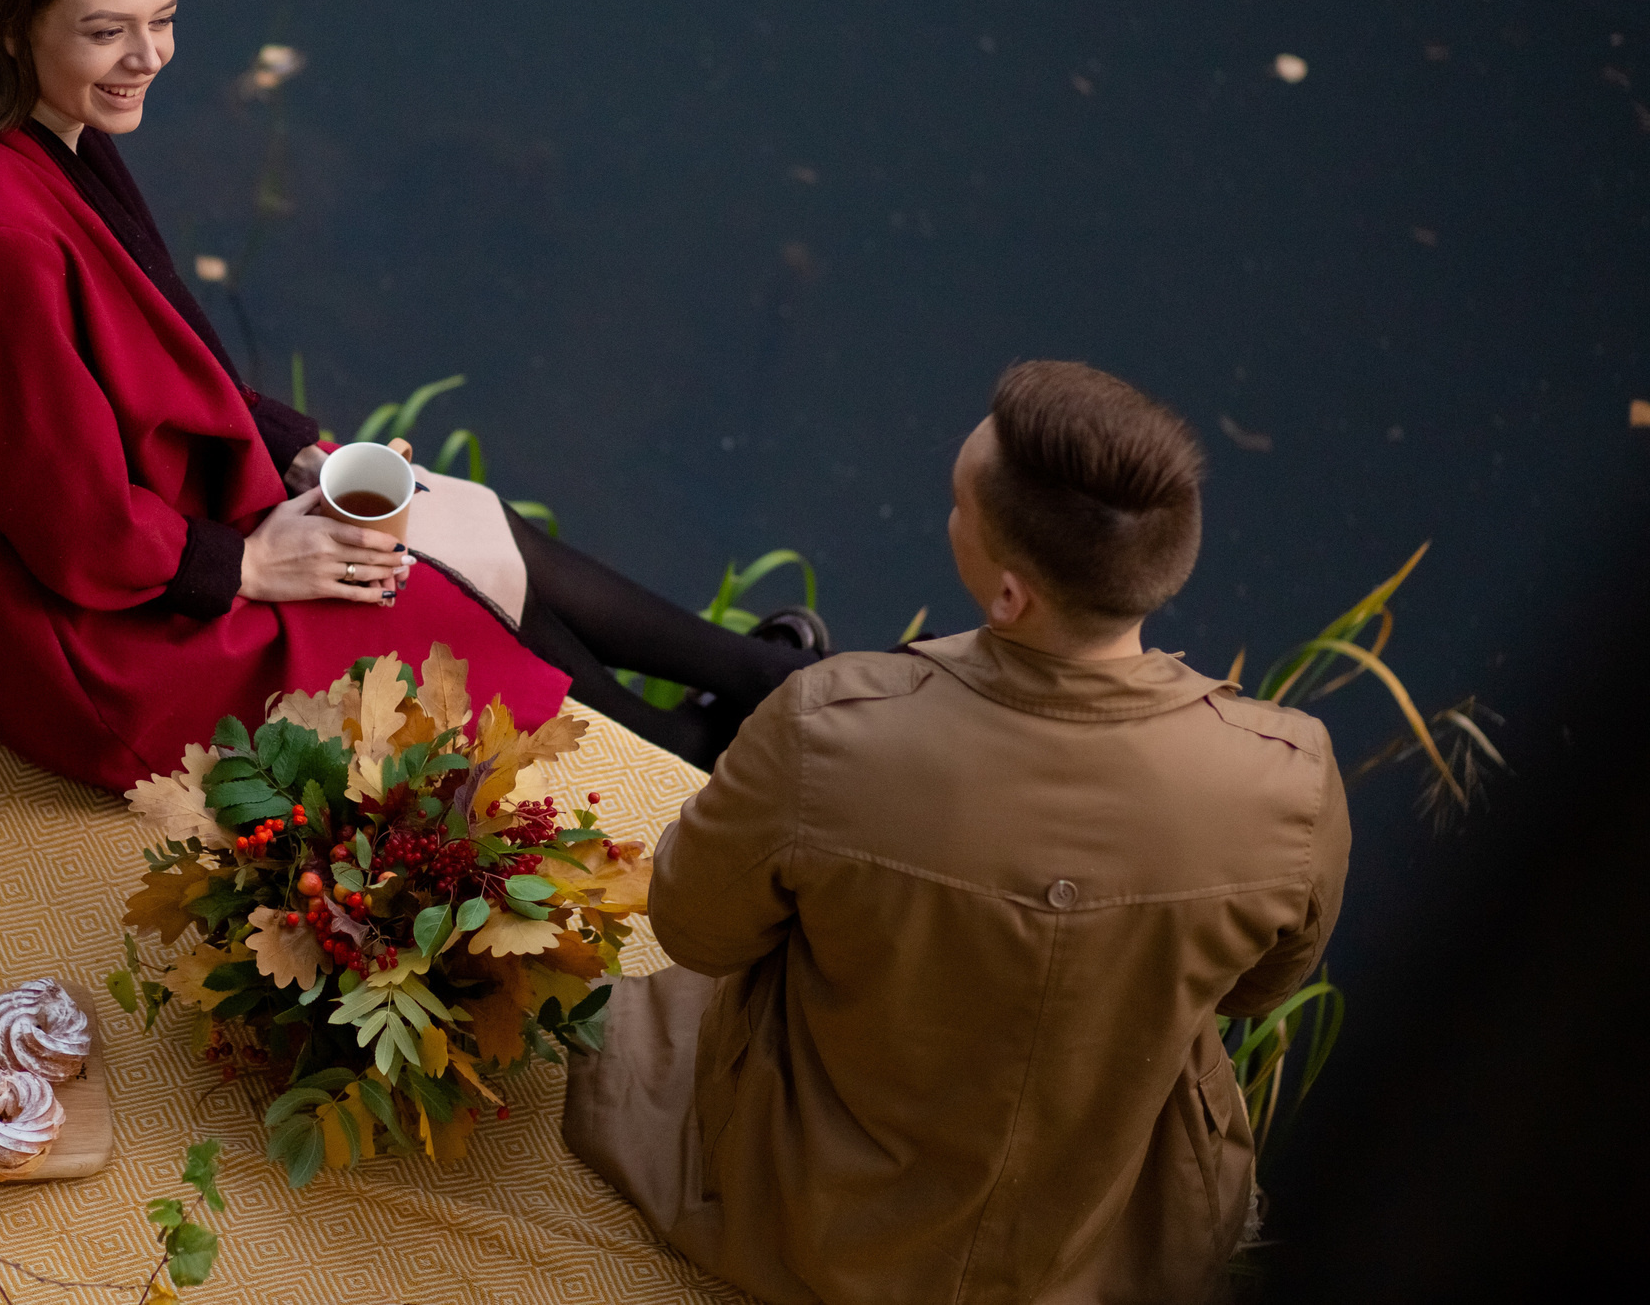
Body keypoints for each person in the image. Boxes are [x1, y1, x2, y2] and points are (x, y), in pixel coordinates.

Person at [0, 0, 818, 791]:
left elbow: (147, 370)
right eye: (106, 33)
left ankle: (737, 686)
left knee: (459, 512)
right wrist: (248, 565)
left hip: (131, 543)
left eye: (163, 22)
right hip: (82, 651)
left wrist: (301, 452)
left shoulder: (55, 141)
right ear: (12, 29)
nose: (147, 59)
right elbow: (66, 521)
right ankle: (679, 749)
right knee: (420, 584)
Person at [564, 360, 1353, 1305]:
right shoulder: (1289, 776)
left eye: (955, 506)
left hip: (808, 1222)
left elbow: (696, 927)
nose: (948, 520)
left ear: (1011, 595)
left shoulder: (834, 726)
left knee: (623, 1001)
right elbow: (1261, 991)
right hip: (1105, 1248)